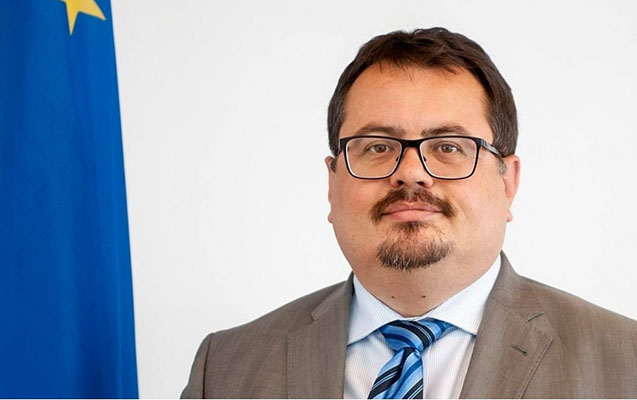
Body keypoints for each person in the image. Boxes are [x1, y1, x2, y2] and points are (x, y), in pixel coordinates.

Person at [181, 27, 637, 398]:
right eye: (377, 147)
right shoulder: (224, 369)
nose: (412, 173)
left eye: (449, 147)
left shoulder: (626, 364)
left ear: (508, 182)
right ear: (332, 182)